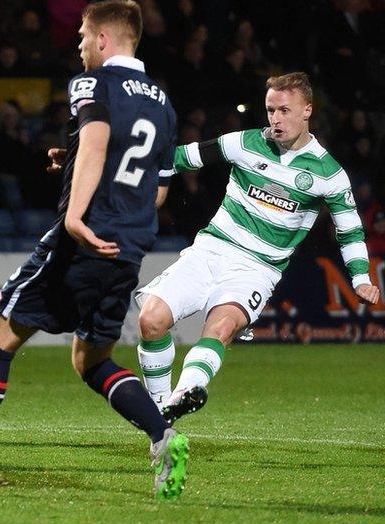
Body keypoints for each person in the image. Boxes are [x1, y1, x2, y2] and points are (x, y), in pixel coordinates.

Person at [0, 0, 189, 500]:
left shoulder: (92, 84)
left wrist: (77, 215)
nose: (79, 45)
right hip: (128, 247)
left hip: (81, 240)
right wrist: (78, 161)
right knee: (91, 360)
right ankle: (161, 434)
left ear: (104, 39)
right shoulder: (163, 104)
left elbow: (99, 138)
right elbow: (157, 188)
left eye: (82, 35)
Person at [136, 72, 381, 423]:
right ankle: (159, 416)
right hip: (210, 251)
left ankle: (182, 397)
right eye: (270, 110)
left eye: (285, 110)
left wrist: (359, 278)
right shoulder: (244, 143)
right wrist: (91, 160)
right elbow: (178, 158)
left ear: (307, 110)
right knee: (150, 320)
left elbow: (350, 229)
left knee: (220, 329)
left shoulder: (329, 174)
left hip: (256, 269)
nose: (276, 119)